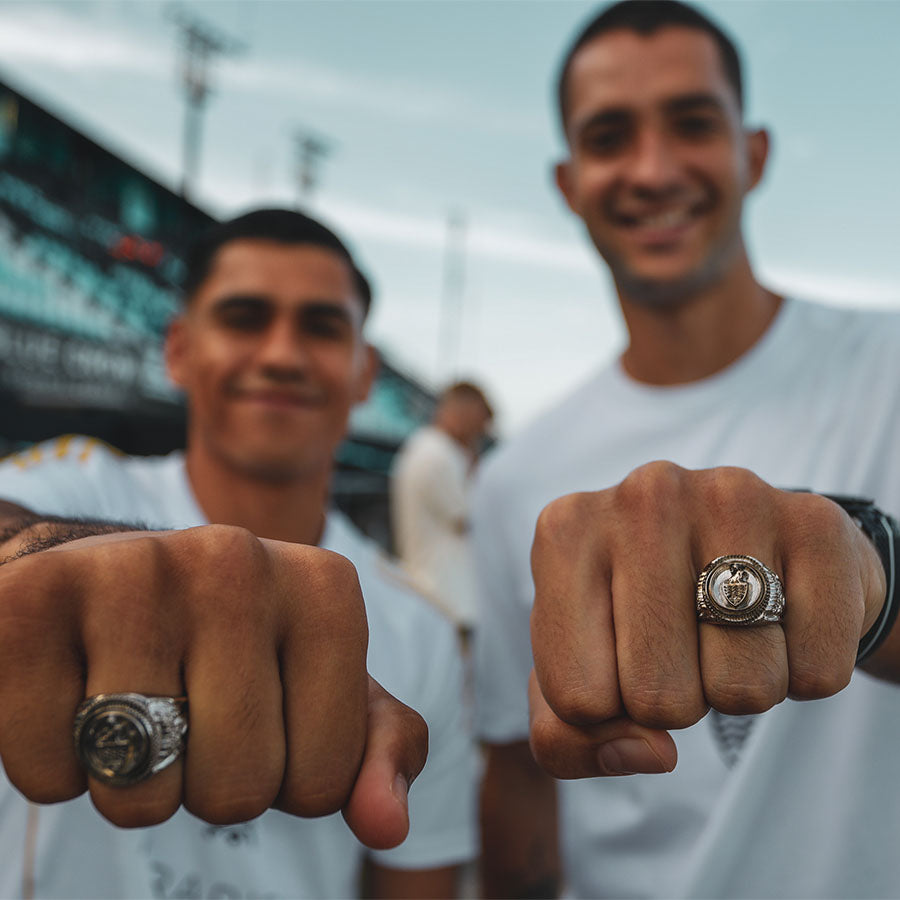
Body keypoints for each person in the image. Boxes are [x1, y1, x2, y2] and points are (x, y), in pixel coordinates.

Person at [473, 2, 900, 898]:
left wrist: (871, 590)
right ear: (567, 181)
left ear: (754, 153)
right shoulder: (515, 481)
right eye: (610, 135)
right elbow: (517, 774)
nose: (654, 169)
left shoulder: (890, 371)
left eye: (693, 123)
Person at [0, 208, 476, 899]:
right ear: (179, 349)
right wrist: (60, 559)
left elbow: (415, 878)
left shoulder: (419, 630)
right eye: (245, 317)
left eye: (321, 326)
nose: (281, 354)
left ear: (364, 372)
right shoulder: (78, 483)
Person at [391, 381, 493, 633]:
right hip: (443, 599)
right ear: (464, 414)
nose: (480, 433)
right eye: (479, 424)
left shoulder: (432, 450)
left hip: (439, 595)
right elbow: (470, 518)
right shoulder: (437, 455)